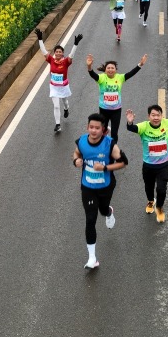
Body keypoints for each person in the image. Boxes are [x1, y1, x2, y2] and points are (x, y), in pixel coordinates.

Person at [73, 113, 128, 270]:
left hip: (106, 186)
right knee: (90, 219)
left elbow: (124, 162)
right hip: (88, 187)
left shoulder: (110, 144)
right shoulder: (82, 141)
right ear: (87, 127)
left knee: (103, 211)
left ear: (103, 130)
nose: (94, 131)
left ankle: (109, 211)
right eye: (91, 127)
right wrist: (75, 160)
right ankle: (92, 258)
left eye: (97, 128)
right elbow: (76, 152)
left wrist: (104, 167)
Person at [86, 52, 147, 141]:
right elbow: (93, 75)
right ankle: (103, 146)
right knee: (103, 131)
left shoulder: (120, 77)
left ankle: (113, 149)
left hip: (116, 110)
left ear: (116, 69)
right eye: (108, 68)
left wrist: (140, 64)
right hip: (104, 110)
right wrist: (89, 67)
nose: (110, 70)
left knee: (114, 133)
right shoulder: (102, 78)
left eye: (112, 68)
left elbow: (131, 73)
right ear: (105, 69)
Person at [35, 28, 83, 133]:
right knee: (56, 106)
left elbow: (71, 56)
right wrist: (40, 39)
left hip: (64, 87)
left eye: (60, 52)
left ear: (62, 53)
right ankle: (58, 125)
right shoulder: (51, 60)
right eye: (56, 51)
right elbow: (44, 52)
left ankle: (66, 109)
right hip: (54, 87)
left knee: (65, 102)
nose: (57, 53)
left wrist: (75, 44)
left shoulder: (66, 62)